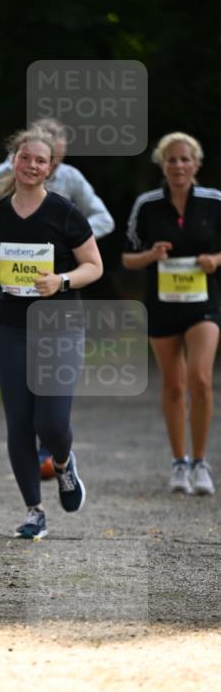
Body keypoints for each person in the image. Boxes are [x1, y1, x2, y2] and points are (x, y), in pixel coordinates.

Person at [0, 127, 103, 540]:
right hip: (12, 329)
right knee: (20, 423)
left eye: (41, 160)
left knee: (52, 422)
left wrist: (60, 281)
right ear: (14, 161)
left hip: (59, 327)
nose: (32, 165)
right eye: (25, 158)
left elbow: (93, 266)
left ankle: (63, 463)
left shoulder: (64, 212)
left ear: (51, 168)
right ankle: (33, 510)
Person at [122, 132, 220, 495]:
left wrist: (215, 260)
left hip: (203, 305)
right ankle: (179, 462)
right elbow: (127, 257)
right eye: (171, 160)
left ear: (196, 164)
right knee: (174, 385)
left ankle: (200, 461)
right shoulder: (147, 205)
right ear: (162, 165)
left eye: (184, 159)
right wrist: (150, 255)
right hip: (162, 305)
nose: (178, 166)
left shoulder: (214, 201)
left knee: (201, 378)